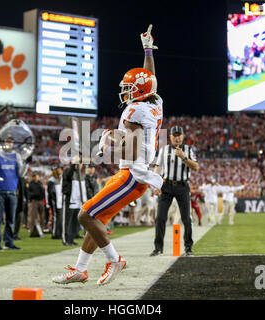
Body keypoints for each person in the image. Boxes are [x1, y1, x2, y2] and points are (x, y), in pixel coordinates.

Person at [53, 24, 163, 285]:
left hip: (133, 176)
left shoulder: (135, 111)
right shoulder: (154, 101)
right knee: (96, 219)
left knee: (85, 216)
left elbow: (131, 149)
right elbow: (149, 77)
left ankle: (114, 260)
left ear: (138, 92)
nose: (125, 92)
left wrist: (108, 141)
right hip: (131, 174)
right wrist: (148, 49)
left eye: (129, 88)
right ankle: (80, 269)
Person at [150, 126, 199, 257]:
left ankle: (188, 248)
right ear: (170, 137)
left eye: (179, 135)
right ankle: (158, 248)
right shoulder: (163, 150)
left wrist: (184, 157)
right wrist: (156, 185)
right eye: (174, 135)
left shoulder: (188, 150)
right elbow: (158, 168)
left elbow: (196, 167)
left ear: (183, 137)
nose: (177, 138)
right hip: (166, 186)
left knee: (186, 218)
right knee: (160, 217)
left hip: (182, 186)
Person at [0, 134, 28, 251]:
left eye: (11, 142)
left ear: (13, 144)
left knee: (10, 220)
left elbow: (21, 174)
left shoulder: (17, 156)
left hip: (11, 191)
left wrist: (26, 163)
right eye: (7, 142)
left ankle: (8, 242)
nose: (9, 144)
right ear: (3, 144)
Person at [61, 161, 87, 246]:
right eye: (78, 164)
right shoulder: (69, 171)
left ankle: (71, 238)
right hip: (69, 199)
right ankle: (65, 239)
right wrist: (73, 166)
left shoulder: (80, 174)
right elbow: (68, 176)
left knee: (74, 221)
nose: (80, 166)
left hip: (78, 201)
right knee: (67, 221)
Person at [26, 171, 45, 236]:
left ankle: (41, 229)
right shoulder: (30, 184)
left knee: (42, 216)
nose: (36, 177)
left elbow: (42, 192)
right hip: (34, 201)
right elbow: (28, 193)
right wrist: (35, 194)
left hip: (40, 201)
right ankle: (32, 229)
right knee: (33, 216)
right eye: (34, 176)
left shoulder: (40, 183)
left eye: (36, 176)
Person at [47, 165, 63, 239]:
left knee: (60, 217)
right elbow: (49, 193)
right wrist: (50, 202)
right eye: (60, 169)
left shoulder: (60, 179)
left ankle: (59, 233)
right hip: (54, 201)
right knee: (56, 217)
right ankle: (55, 234)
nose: (61, 170)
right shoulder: (51, 180)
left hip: (59, 201)